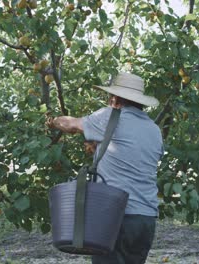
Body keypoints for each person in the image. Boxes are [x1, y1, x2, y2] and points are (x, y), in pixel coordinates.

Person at [46, 72, 164, 264]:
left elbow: (71, 125)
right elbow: (131, 157)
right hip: (146, 219)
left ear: (115, 98)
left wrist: (53, 121)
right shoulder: (154, 129)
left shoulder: (109, 116)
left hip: (115, 216)